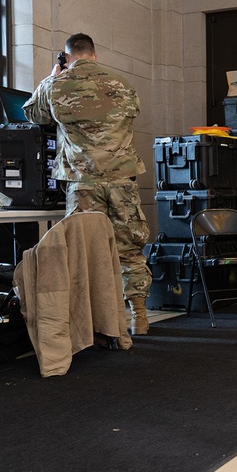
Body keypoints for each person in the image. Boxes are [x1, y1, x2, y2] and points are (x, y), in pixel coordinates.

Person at [23, 33, 152, 336]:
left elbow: (32, 114)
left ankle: (96, 323)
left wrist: (51, 77)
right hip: (122, 179)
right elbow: (132, 114)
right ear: (94, 55)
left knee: (82, 251)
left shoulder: (56, 85)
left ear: (66, 58)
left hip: (84, 184)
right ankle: (140, 316)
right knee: (130, 247)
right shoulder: (122, 84)